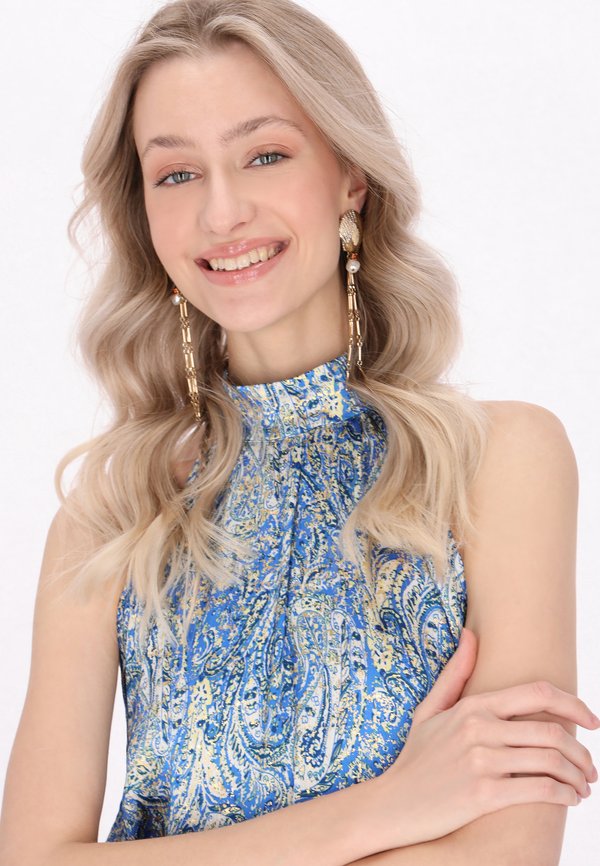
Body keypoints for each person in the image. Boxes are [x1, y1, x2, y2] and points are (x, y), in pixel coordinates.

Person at [0, 0, 598, 863]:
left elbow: (503, 856)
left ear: (351, 176)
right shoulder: (113, 519)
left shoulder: (499, 461)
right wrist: (390, 807)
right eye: (177, 174)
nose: (221, 213)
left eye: (266, 155)